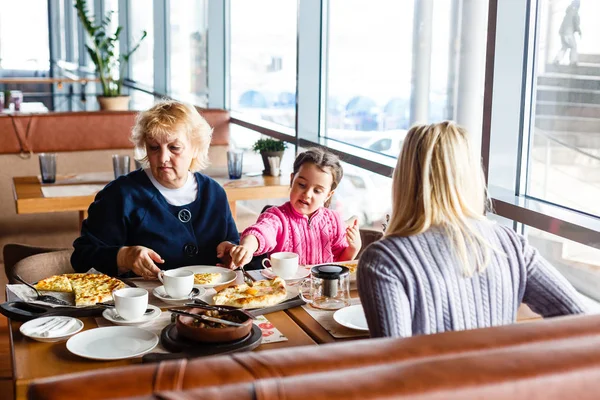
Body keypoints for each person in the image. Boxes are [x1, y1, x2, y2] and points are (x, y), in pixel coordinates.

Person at [357, 121, 587, 338]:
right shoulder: (510, 244)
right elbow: (580, 321)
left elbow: (392, 360)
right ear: (471, 176)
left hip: (431, 381)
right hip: (502, 378)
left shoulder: (383, 260)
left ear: (403, 177)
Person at [71, 100, 239, 278]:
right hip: (144, 301)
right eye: (154, 147)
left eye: (174, 148)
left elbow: (231, 243)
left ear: (196, 149)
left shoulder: (214, 192)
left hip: (212, 301)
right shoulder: (121, 195)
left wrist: (231, 253)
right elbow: (81, 257)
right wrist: (123, 257)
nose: (163, 157)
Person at [229, 147, 361, 268]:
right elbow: (261, 232)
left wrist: (353, 249)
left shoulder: (334, 220)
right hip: (283, 290)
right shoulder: (277, 217)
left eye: (317, 191)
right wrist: (247, 247)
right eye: (302, 185)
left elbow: (338, 265)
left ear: (328, 195)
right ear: (292, 180)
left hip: (321, 291)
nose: (307, 194)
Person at [553, 0, 581, 66]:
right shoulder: (575, 12)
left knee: (564, 47)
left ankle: (557, 60)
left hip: (562, 33)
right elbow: (576, 24)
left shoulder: (568, 12)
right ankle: (573, 61)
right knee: (574, 47)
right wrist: (579, 32)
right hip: (568, 33)